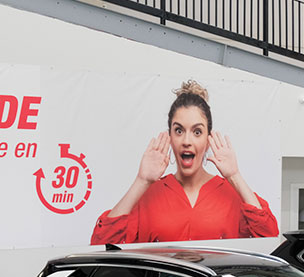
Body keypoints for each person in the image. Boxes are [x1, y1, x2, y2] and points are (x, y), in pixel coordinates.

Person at [90, 80, 279, 244]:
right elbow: (102, 244)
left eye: (197, 132)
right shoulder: (149, 195)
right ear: (170, 137)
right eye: (179, 130)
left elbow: (269, 237)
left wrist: (235, 176)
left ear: (208, 140)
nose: (187, 141)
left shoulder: (231, 195)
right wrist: (141, 181)